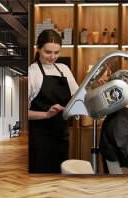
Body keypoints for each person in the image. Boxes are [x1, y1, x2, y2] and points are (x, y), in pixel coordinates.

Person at [28, 29, 78, 173]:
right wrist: (46, 115)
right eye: (48, 52)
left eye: (57, 53)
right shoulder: (32, 72)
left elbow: (77, 97)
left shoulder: (64, 69)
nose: (52, 57)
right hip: (40, 138)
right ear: (38, 49)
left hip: (61, 136)